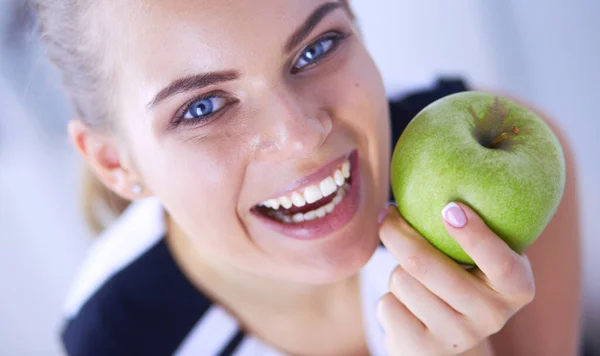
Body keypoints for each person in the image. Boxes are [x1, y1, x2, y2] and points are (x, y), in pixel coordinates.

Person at [37, 1, 581, 355]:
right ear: (115, 163)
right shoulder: (118, 339)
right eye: (202, 108)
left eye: (316, 48)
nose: (300, 136)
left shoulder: (503, 160)